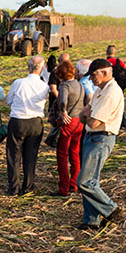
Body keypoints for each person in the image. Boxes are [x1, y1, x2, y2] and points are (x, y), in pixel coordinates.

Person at [76, 59, 125, 229]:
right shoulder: (100, 90)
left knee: (84, 182)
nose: (90, 79)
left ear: (104, 72)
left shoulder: (111, 93)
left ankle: (111, 209)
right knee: (91, 181)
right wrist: (87, 117)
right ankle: (91, 220)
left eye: (93, 75)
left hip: (101, 138)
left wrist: (87, 117)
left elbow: (94, 122)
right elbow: (84, 113)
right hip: (93, 138)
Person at [5, 55, 49, 196]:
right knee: (31, 156)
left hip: (18, 120)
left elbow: (9, 101)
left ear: (28, 67)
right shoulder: (44, 86)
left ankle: (14, 187)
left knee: (14, 156)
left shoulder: (18, 83)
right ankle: (28, 187)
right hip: (35, 122)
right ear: (42, 69)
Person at [52, 61, 84, 196]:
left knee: (62, 155)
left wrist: (63, 111)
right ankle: (74, 184)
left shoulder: (65, 85)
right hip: (79, 122)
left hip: (68, 122)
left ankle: (63, 188)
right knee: (75, 153)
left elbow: (62, 100)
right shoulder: (79, 84)